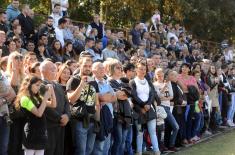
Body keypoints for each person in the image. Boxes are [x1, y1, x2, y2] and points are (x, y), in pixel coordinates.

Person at [14, 76, 56, 155]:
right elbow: (39, 113)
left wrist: (52, 91)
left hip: (41, 132)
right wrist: (45, 98)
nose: (39, 87)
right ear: (29, 85)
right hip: (31, 133)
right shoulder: (24, 98)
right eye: (37, 85)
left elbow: (53, 105)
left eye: (40, 85)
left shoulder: (38, 97)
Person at [66, 57, 99, 155]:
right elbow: (71, 99)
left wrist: (98, 120)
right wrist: (81, 85)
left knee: (89, 150)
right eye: (85, 66)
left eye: (89, 66)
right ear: (80, 65)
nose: (87, 68)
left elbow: (96, 102)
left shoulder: (94, 81)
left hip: (92, 120)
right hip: (79, 120)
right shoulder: (73, 80)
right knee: (81, 151)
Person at [40, 60, 70, 155]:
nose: (55, 71)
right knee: (49, 151)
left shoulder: (57, 85)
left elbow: (66, 102)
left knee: (59, 151)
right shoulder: (41, 85)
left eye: (55, 69)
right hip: (49, 126)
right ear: (43, 71)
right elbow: (44, 105)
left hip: (61, 125)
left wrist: (67, 116)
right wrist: (60, 118)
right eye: (52, 69)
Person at [129, 61, 160, 155]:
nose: (143, 71)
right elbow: (134, 96)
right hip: (139, 110)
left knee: (152, 132)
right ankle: (139, 152)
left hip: (149, 109)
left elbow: (152, 94)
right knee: (139, 133)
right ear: (136, 70)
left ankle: (157, 151)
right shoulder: (132, 82)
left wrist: (148, 104)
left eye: (144, 69)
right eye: (140, 69)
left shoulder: (148, 81)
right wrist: (143, 106)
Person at [108, 60, 132, 155]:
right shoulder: (109, 81)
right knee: (118, 140)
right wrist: (123, 93)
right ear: (111, 69)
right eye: (117, 68)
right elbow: (119, 96)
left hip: (126, 112)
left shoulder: (123, 81)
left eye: (121, 68)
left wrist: (124, 93)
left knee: (123, 141)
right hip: (117, 113)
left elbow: (128, 94)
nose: (120, 70)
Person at [91, 62, 116, 155]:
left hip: (109, 116)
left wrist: (105, 98)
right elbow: (99, 98)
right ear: (93, 70)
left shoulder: (106, 83)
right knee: (99, 147)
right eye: (99, 68)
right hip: (99, 117)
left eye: (103, 68)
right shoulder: (92, 83)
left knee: (107, 145)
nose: (102, 70)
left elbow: (115, 97)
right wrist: (106, 97)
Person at [154, 68, 179, 152]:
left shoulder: (169, 83)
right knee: (162, 129)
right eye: (158, 75)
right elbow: (157, 97)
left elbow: (171, 96)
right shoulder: (155, 84)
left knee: (174, 127)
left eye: (162, 74)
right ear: (156, 76)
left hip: (168, 107)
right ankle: (162, 147)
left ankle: (170, 145)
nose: (160, 76)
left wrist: (163, 97)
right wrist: (164, 87)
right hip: (161, 107)